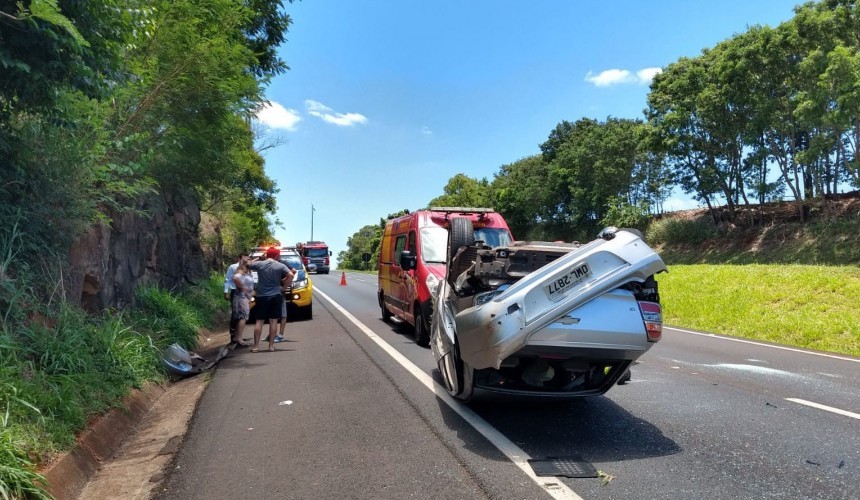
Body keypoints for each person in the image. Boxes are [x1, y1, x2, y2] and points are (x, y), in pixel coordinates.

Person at [247, 247, 291, 352]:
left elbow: (247, 265)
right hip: (276, 295)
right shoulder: (280, 265)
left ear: (267, 255)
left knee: (259, 321)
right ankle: (271, 346)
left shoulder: (260, 264)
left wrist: (258, 258)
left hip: (261, 295)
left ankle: (256, 347)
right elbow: (291, 275)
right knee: (273, 321)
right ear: (277, 256)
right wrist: (284, 288)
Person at [230, 256, 254, 346]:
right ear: (244, 263)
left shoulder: (248, 271)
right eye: (249, 260)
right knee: (242, 317)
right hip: (241, 297)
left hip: (246, 297)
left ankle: (237, 336)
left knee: (243, 316)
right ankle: (238, 338)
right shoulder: (241, 272)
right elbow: (235, 278)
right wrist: (242, 287)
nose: (251, 262)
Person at [223, 252, 247, 341]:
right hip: (235, 291)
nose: (246, 260)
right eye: (244, 258)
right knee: (235, 313)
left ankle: (238, 335)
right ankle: (233, 334)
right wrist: (226, 292)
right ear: (239, 258)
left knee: (243, 314)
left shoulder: (247, 268)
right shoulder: (233, 267)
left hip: (244, 292)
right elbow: (228, 279)